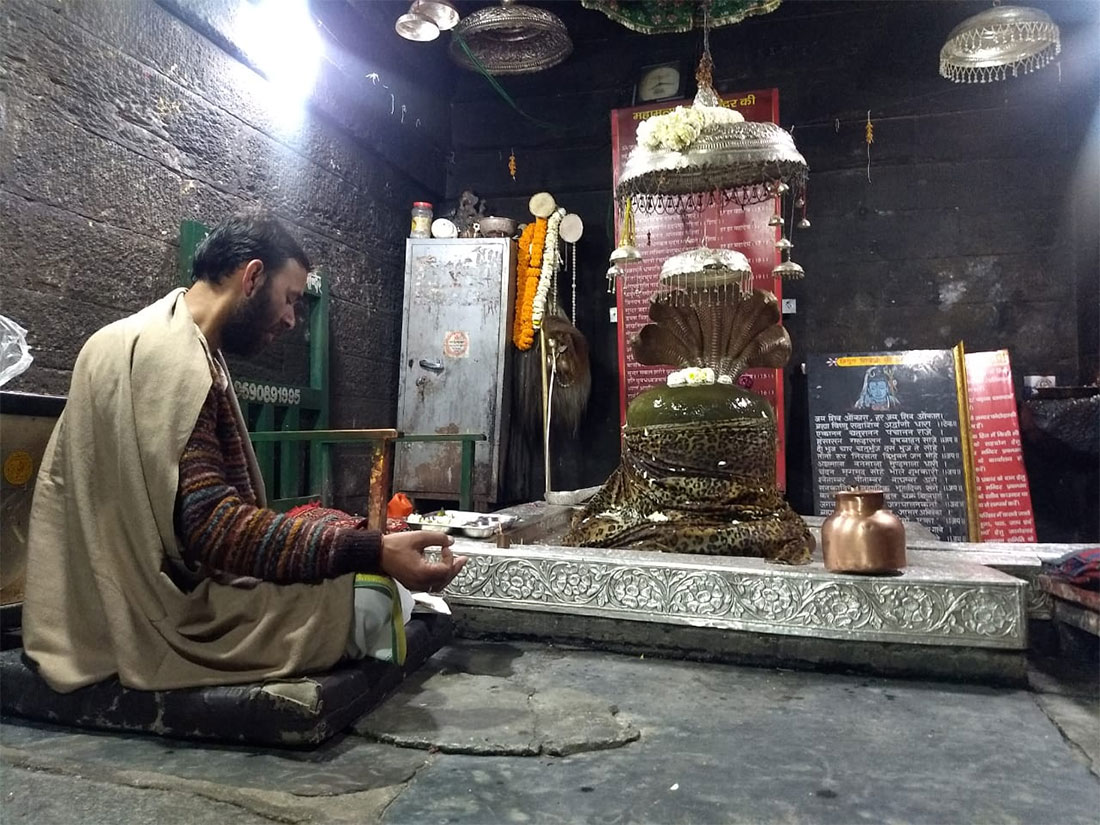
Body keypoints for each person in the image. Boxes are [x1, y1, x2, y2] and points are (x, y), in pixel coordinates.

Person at [23, 210, 464, 693]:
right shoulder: (170, 358)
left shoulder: (161, 340)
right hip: (155, 614)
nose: (293, 319)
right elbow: (215, 530)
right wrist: (373, 550)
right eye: (291, 298)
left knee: (362, 570)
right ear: (252, 277)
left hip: (95, 607)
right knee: (378, 602)